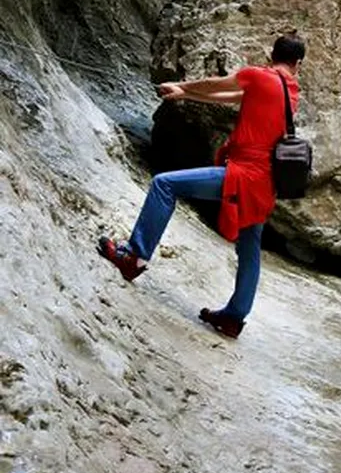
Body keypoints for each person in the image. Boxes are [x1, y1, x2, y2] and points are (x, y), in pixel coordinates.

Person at [98, 32, 305, 339]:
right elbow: (229, 97)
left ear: (271, 54)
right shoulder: (290, 93)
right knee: (250, 246)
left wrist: (182, 85)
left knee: (164, 185)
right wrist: (183, 94)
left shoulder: (259, 76)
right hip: (265, 184)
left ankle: (134, 256)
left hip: (242, 174)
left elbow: (215, 84)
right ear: (297, 64)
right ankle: (234, 318)